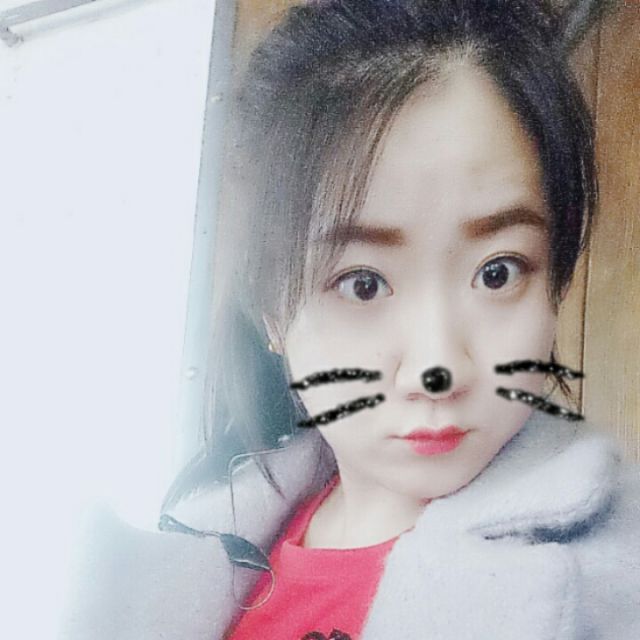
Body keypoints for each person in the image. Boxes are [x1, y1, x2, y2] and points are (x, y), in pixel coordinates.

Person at [59, 1, 640, 639]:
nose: (438, 366)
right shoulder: (195, 553)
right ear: (271, 310)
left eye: (497, 273)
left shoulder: (615, 588)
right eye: (362, 284)